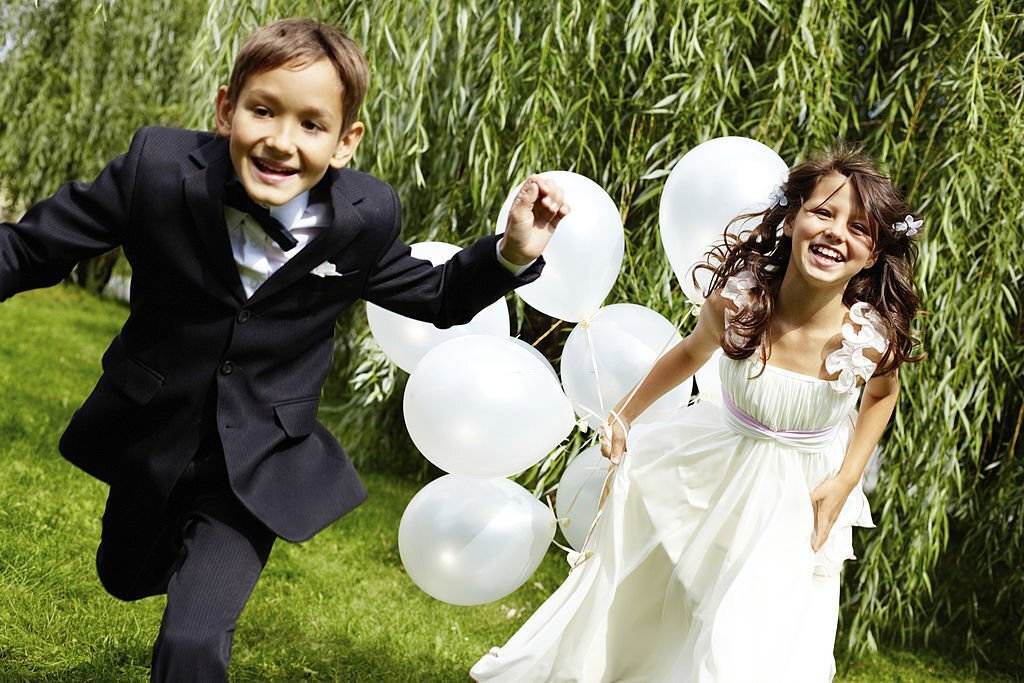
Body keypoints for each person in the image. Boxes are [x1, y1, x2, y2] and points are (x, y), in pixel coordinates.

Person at [0, 18, 568, 682]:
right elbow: (31, 247)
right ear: (225, 109)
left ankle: (201, 587)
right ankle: (157, 552)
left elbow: (437, 295)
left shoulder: (365, 216)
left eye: (310, 124)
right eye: (262, 111)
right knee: (123, 575)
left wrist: (511, 251)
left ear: (346, 141)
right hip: (154, 432)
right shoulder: (156, 170)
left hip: (258, 459)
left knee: (193, 638)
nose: (280, 140)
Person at [471, 145, 923, 682]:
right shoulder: (739, 305)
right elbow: (688, 354)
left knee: (756, 631)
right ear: (792, 218)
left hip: (796, 498)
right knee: (667, 600)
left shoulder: (867, 339)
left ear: (871, 255)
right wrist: (623, 414)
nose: (834, 232)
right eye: (823, 212)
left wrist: (847, 477)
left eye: (858, 227)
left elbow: (881, 396)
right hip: (716, 469)